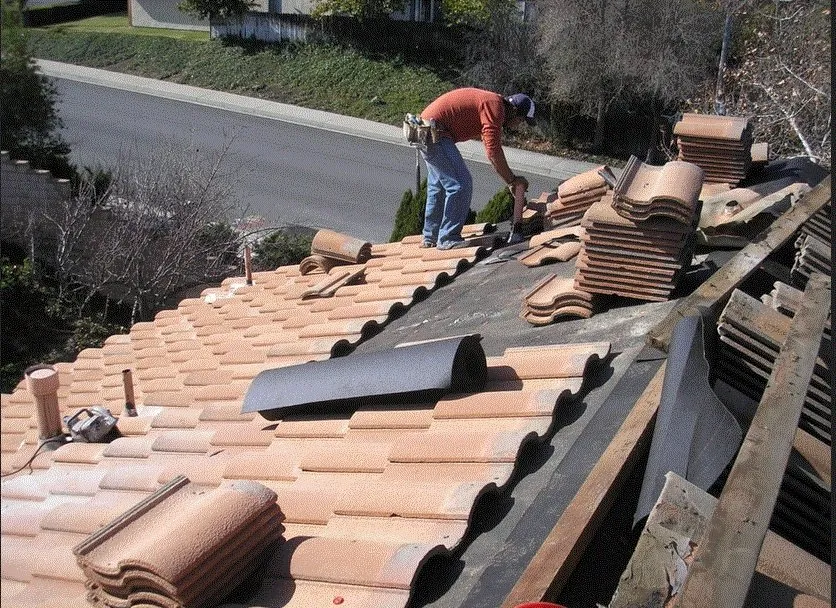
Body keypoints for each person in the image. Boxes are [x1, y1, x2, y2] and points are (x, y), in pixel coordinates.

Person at [418, 88, 536, 249]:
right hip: (435, 132)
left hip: (425, 128)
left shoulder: (492, 104)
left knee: (438, 186)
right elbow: (493, 151)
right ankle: (448, 238)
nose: (519, 125)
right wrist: (512, 180)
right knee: (461, 184)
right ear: (514, 111)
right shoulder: (495, 107)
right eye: (521, 120)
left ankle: (430, 237)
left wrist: (510, 180)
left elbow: (488, 143)